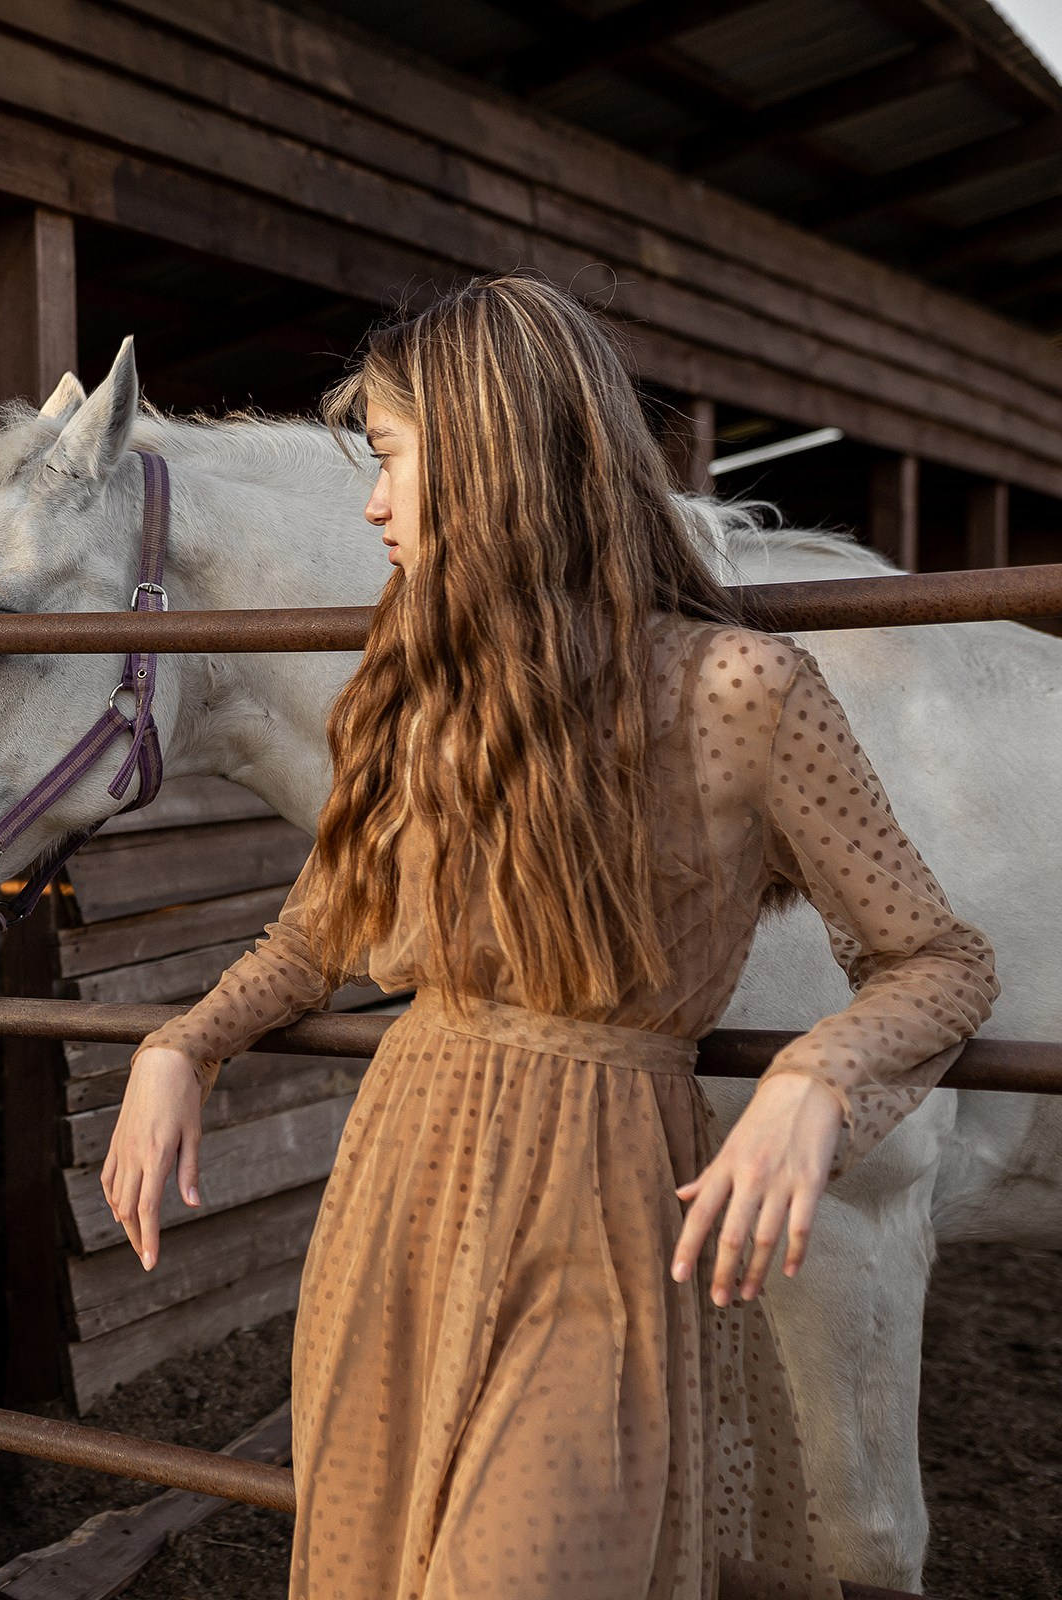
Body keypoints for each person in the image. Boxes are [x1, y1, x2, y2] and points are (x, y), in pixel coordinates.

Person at [101, 276, 998, 1599]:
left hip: (606, 1202)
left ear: (496, 457)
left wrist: (820, 1079)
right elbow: (321, 931)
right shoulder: (415, 687)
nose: (372, 505)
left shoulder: (740, 690)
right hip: (405, 1177)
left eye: (393, 461)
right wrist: (186, 1043)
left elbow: (941, 960)